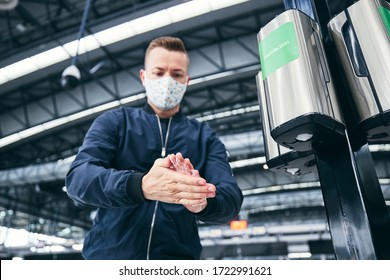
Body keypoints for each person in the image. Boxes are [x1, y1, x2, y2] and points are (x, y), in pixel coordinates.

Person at [65, 36, 243, 260]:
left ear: (186, 81)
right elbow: (78, 178)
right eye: (159, 73)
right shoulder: (115, 122)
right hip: (110, 259)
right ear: (144, 77)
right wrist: (140, 186)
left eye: (176, 74)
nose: (168, 81)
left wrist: (204, 201)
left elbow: (231, 198)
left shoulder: (204, 137)